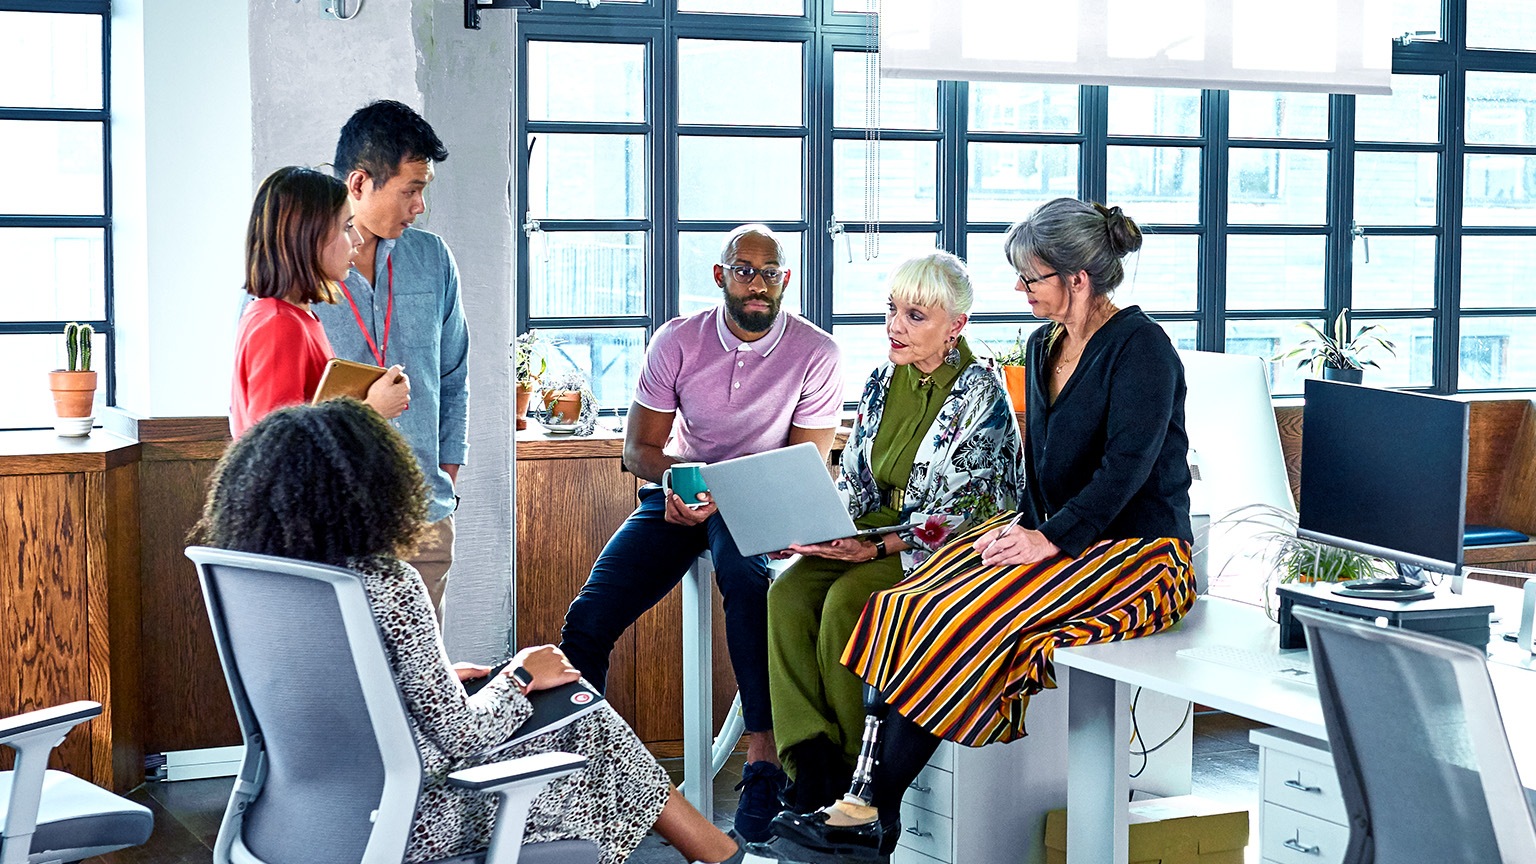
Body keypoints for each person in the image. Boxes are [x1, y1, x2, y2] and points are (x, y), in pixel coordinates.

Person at [193, 399, 808, 864]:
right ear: (370, 488)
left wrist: (443, 681)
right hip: (409, 815)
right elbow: (460, 741)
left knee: (570, 706)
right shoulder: (384, 581)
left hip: (290, 812)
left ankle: (721, 856)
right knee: (576, 704)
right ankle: (724, 857)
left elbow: (344, 701)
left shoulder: (262, 577)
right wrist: (519, 675)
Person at [771, 198, 1198, 857]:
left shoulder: (1143, 351)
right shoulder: (1045, 342)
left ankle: (867, 816)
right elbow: (1042, 469)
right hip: (1063, 537)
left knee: (963, 619)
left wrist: (1046, 538)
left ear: (1076, 279)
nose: (1020, 289)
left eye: (1030, 278)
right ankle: (856, 798)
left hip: (1141, 554)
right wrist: (1019, 530)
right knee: (904, 602)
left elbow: (1126, 471)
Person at [559, 224, 843, 842]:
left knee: (746, 579)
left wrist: (731, 493)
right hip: (679, 497)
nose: (758, 283)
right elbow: (639, 449)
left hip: (756, 504)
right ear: (720, 276)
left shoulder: (815, 351)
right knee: (587, 618)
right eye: (745, 270)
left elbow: (803, 465)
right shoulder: (678, 341)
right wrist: (692, 484)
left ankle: (763, 759)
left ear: (785, 280)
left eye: (771, 273)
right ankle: (577, 774)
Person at [765, 250, 1023, 813]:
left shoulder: (983, 394)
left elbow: (971, 512)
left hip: (939, 549)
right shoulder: (882, 379)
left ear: (956, 326)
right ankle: (809, 758)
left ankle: (858, 775)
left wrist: (878, 545)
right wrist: (819, 529)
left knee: (845, 604)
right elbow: (855, 476)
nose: (894, 327)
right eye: (891, 310)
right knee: (785, 592)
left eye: (915, 316)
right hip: (866, 531)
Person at [315, 100, 469, 624]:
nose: (419, 206)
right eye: (411, 189)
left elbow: (454, 374)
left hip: (424, 514)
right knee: (354, 690)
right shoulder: (299, 272)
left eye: (423, 189)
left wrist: (446, 470)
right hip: (337, 521)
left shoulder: (433, 257)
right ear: (359, 184)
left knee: (425, 694)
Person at [230, 166, 410, 438]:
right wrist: (372, 411)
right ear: (307, 235)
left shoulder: (292, 317)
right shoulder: (279, 324)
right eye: (347, 227)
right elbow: (276, 450)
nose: (358, 240)